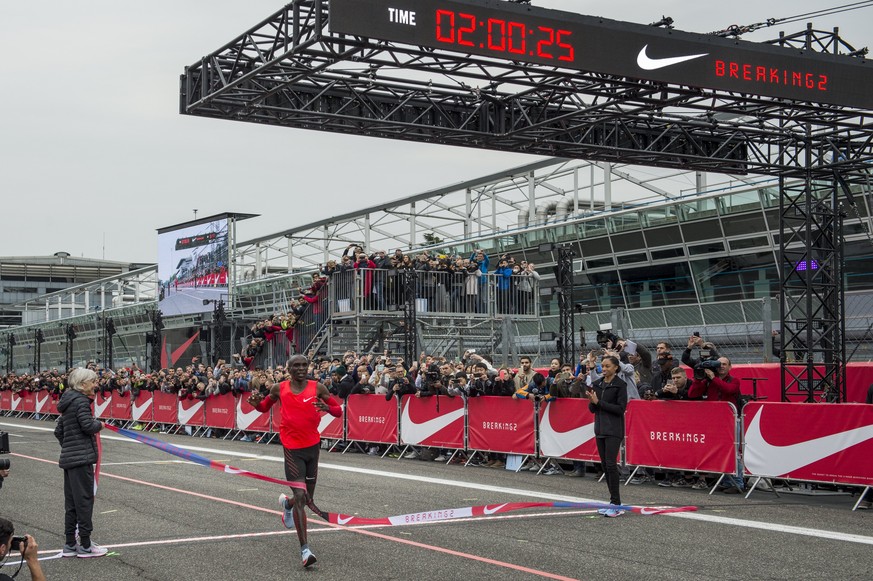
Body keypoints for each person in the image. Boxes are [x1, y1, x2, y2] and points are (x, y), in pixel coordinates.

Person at [247, 354, 342, 568]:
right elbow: (263, 407)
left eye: (304, 365)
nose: (301, 368)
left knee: (307, 499)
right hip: (291, 447)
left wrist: (328, 408)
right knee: (301, 496)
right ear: (288, 369)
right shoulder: (278, 389)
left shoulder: (318, 388)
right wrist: (255, 405)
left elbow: (337, 411)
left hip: (313, 447)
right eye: (296, 365)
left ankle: (286, 504)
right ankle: (305, 550)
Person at [54, 367, 107, 558]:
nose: (96, 384)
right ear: (82, 384)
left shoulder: (67, 402)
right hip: (81, 459)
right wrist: (99, 424)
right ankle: (85, 545)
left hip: (69, 459)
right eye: (93, 381)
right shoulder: (81, 402)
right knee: (84, 501)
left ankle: (70, 544)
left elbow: (59, 431)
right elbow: (87, 425)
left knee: (72, 504)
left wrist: (69, 445)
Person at [585, 355, 628, 517]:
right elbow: (592, 409)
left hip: (614, 429)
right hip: (600, 429)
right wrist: (592, 401)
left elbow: (620, 408)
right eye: (602, 366)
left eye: (607, 366)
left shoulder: (620, 385)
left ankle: (617, 504)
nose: (604, 369)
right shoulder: (598, 384)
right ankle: (613, 501)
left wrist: (599, 402)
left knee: (611, 464)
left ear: (616, 367)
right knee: (604, 465)